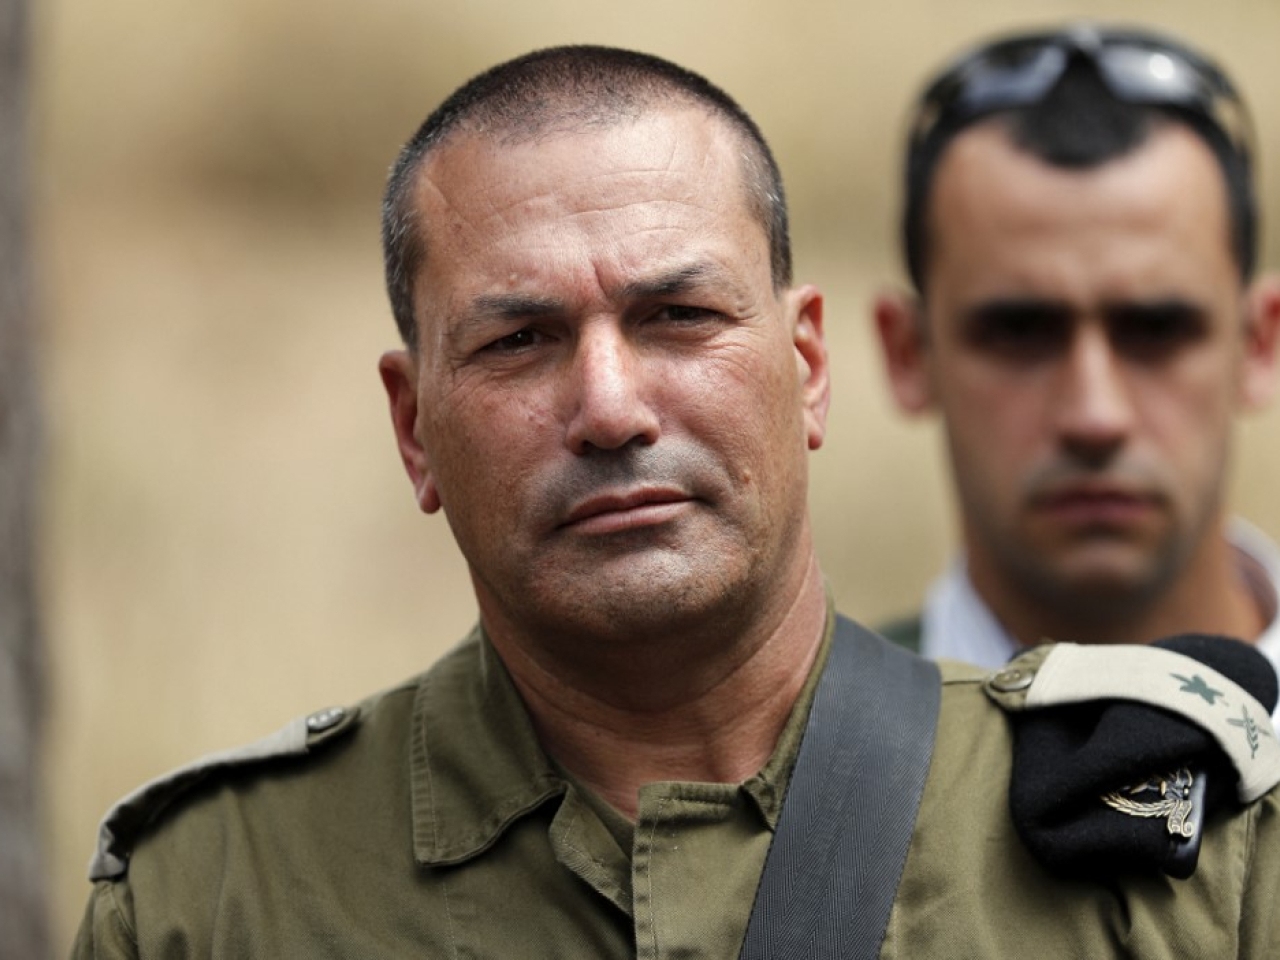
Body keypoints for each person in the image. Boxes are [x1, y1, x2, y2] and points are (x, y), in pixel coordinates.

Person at [73, 44, 1280, 958]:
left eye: (677, 318)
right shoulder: (216, 897)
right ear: (412, 428)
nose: (609, 408)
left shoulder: (1171, 855)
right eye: (518, 340)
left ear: (807, 367)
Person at [874, 24, 1280, 689]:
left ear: (1260, 344)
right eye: (1019, 332)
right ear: (908, 354)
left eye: (1157, 329)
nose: (1096, 417)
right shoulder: (804, 744)